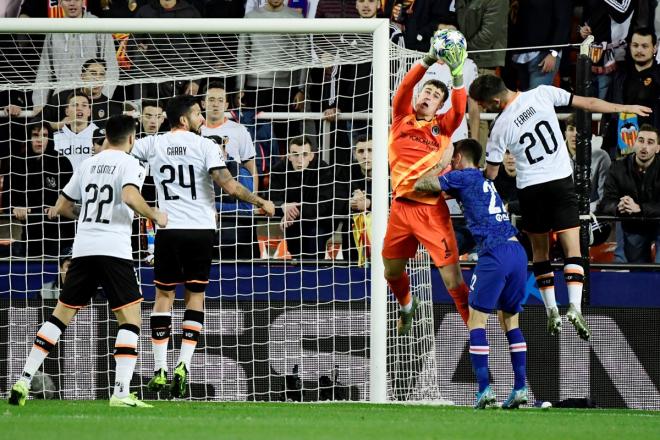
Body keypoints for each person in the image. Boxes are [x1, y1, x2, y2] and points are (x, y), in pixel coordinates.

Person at [470, 74, 652, 340]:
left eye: (484, 105)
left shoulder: (499, 127)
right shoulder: (542, 93)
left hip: (531, 189)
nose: (485, 109)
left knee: (540, 254)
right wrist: (623, 108)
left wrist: (477, 175)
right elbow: (587, 102)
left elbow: (493, 174)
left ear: (496, 100)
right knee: (572, 250)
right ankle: (575, 307)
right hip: (560, 183)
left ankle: (551, 309)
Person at [8, 114, 167, 408]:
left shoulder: (88, 164)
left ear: (106, 135)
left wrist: (85, 217)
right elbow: (130, 196)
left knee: (59, 316)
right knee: (130, 320)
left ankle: (24, 379)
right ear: (132, 139)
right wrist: (154, 214)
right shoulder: (131, 163)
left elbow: (62, 206)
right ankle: (121, 392)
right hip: (114, 250)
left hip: (82, 249)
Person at [131, 95, 275, 398]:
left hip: (168, 230)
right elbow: (229, 185)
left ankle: (159, 368)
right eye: (197, 114)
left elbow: (124, 148)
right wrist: (261, 201)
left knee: (163, 296)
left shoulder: (151, 144)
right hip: (200, 232)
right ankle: (183, 364)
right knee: (195, 296)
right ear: (185, 119)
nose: (201, 118)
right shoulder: (206, 145)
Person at [414, 139, 529, 409]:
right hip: (518, 252)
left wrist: (439, 164)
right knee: (510, 323)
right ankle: (520, 388)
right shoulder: (482, 179)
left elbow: (422, 184)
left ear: (458, 157)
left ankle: (484, 390)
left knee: (476, 322)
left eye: (451, 157)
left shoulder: (462, 175)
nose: (449, 162)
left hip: (495, 254)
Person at [383, 31, 471, 336]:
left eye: (435, 95)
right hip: (400, 209)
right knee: (391, 271)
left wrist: (457, 74)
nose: (427, 96)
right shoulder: (400, 118)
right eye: (426, 91)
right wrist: (428, 60)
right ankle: (408, 306)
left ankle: (476, 333)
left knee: (453, 281)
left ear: (439, 107)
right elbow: (406, 85)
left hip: (431, 210)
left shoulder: (443, 126)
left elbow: (459, 109)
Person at [31, 0, 119, 114]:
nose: (72, 3)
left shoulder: (98, 25)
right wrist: (39, 103)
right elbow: (44, 71)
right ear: (59, 3)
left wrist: (101, 100)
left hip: (90, 101)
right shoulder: (53, 29)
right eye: (67, 0)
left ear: (83, 1)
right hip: (60, 100)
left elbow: (111, 68)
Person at [4, 121, 74, 257]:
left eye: (44, 135)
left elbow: (71, 198)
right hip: (30, 233)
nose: (39, 140)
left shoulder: (62, 162)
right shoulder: (16, 163)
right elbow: (7, 201)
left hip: (60, 233)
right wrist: (16, 208)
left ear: (50, 138)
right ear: (28, 138)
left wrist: (58, 207)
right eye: (35, 135)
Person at [598, 124, 660, 263]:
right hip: (634, 224)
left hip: (657, 221)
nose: (644, 146)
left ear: (658, 148)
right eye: (641, 140)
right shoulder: (618, 168)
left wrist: (640, 208)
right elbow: (605, 203)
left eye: (650, 142)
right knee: (637, 270)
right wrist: (618, 206)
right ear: (634, 142)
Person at [268, 136, 335, 258]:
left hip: (318, 222)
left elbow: (324, 205)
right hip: (292, 223)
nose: (300, 160)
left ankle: (315, 272)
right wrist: (283, 207)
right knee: (297, 259)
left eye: (304, 154)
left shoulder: (323, 169)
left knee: (314, 236)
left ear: (311, 155)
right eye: (295, 154)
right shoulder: (278, 170)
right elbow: (272, 200)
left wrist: (293, 209)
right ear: (288, 156)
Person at [201, 83, 258, 192]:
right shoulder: (195, 132)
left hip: (232, 193)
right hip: (204, 191)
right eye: (211, 100)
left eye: (220, 100)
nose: (216, 104)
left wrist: (254, 201)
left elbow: (251, 167)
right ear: (203, 104)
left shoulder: (239, 130)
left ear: (226, 105)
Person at [42, 59, 123, 130]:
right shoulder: (62, 98)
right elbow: (36, 122)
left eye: (101, 74)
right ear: (82, 77)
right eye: (93, 73)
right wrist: (57, 125)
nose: (98, 79)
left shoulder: (112, 107)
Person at [564, 114, 611, 213]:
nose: (575, 134)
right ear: (565, 133)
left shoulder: (601, 156)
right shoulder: (555, 156)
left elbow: (605, 197)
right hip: (564, 215)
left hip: (593, 215)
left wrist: (585, 210)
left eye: (579, 129)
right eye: (571, 129)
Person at [53, 93, 98, 171]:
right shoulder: (56, 137)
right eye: (75, 105)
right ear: (67, 111)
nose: (79, 108)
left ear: (89, 112)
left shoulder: (99, 136)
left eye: (84, 105)